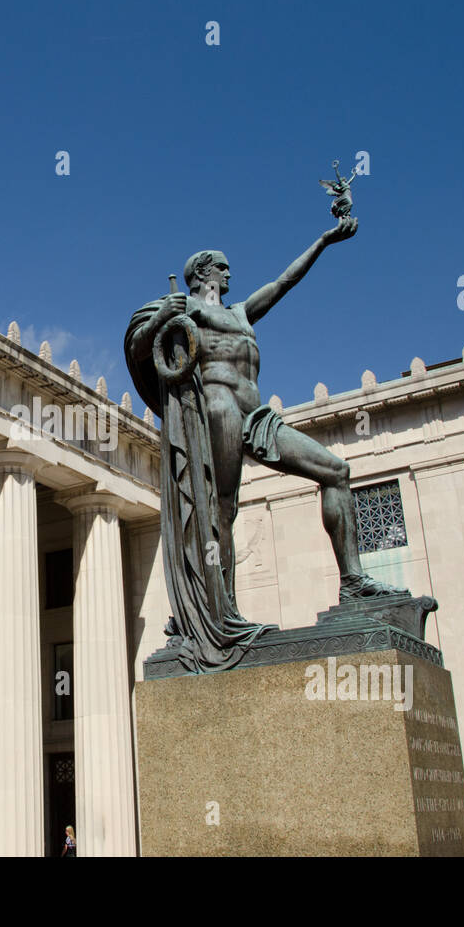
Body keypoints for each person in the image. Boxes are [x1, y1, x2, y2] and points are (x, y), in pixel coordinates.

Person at [124, 217, 405, 673]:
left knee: (336, 471)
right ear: (202, 275)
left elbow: (285, 281)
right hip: (218, 408)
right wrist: (162, 316)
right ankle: (219, 609)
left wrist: (325, 239)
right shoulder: (186, 310)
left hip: (256, 416)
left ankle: (353, 581)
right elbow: (141, 346)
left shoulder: (241, 313)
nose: (230, 275)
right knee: (223, 510)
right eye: (223, 268)